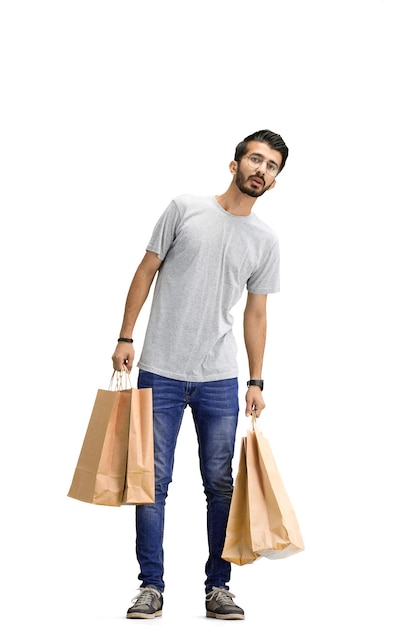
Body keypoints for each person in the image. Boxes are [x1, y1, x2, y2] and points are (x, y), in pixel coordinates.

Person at [112, 129, 289, 620]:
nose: (262, 170)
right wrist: (126, 336)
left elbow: (256, 314)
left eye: (272, 166)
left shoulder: (265, 240)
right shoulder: (184, 208)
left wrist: (256, 380)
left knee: (220, 484)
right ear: (234, 165)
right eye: (256, 159)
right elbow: (146, 271)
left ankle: (218, 588)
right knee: (152, 482)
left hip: (219, 378)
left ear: (274, 181)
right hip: (160, 370)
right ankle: (151, 586)